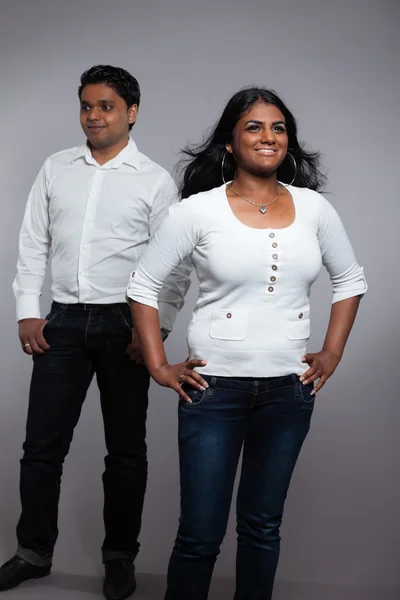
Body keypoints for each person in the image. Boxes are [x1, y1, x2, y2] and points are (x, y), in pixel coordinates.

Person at [127, 87, 367, 600]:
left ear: (289, 141)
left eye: (278, 127)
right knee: (200, 535)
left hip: (288, 391)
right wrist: (158, 365)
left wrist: (332, 352)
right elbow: (143, 286)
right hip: (213, 391)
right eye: (254, 127)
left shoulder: (315, 208)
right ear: (231, 143)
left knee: (261, 528)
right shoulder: (196, 211)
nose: (268, 136)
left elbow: (350, 280)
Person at [0, 65, 190, 600]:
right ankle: (33, 552)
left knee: (125, 451)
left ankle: (119, 558)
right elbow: (32, 241)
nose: (93, 116)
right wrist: (26, 310)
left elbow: (174, 267)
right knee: (41, 448)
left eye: (105, 106)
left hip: (124, 326)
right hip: (61, 321)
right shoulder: (57, 168)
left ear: (131, 112)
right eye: (86, 106)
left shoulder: (153, 180)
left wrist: (156, 331)